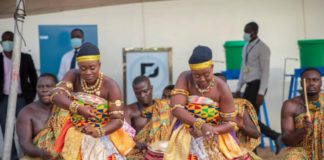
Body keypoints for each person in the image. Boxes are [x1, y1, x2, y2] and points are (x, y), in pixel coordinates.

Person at [51, 42, 134, 159]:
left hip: (103, 133)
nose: (88, 72)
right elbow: (56, 95)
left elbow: (118, 119)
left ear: (99, 65)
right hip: (75, 131)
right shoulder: (73, 75)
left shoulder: (111, 86)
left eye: (92, 68)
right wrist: (78, 108)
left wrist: (99, 131)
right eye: (83, 68)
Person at [164, 45, 248, 160]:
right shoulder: (185, 77)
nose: (202, 79)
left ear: (212, 68)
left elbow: (231, 123)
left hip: (215, 135)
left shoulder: (222, 87)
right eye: (197, 76)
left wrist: (209, 131)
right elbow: (177, 108)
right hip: (186, 132)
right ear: (191, 72)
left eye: (206, 74)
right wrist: (200, 125)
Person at [235, 22, 282, 154]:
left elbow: (265, 72)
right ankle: (275, 136)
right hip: (248, 86)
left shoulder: (263, 48)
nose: (244, 34)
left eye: (247, 31)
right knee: (249, 118)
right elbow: (243, 69)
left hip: (257, 86)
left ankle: (254, 149)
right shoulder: (246, 47)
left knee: (250, 119)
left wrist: (261, 92)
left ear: (254, 32)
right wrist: (239, 87)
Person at [0, 31, 38, 159]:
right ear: (1, 43)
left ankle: (28, 155)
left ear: (15, 42)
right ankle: (13, 156)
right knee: (7, 130)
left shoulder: (25, 58)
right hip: (3, 99)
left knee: (25, 129)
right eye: (5, 40)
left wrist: (31, 97)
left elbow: (34, 78)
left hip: (22, 99)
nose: (8, 42)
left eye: (10, 39)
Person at [125, 76, 173, 159]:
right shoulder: (129, 110)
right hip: (138, 156)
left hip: (163, 154)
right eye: (138, 93)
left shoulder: (164, 107)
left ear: (151, 88)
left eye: (145, 91)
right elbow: (124, 137)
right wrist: (138, 144)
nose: (142, 95)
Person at [281, 68, 323, 160]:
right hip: (301, 150)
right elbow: (287, 140)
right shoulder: (291, 105)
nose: (311, 83)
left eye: (315, 80)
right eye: (307, 80)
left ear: (321, 82)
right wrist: (303, 131)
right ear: (301, 83)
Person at [17, 73, 61, 159]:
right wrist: (41, 153)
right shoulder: (26, 112)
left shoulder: (64, 109)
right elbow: (24, 143)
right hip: (37, 156)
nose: (44, 90)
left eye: (49, 86)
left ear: (57, 88)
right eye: (40, 87)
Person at [215, 73, 261, 153]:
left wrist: (242, 126)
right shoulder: (204, 108)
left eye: (223, 86)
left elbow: (256, 134)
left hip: (238, 152)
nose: (221, 89)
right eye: (217, 86)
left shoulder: (239, 107)